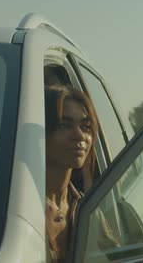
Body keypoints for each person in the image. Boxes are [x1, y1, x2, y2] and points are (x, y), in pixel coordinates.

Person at [44, 85, 118, 262]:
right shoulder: (11, 209)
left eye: (85, 126)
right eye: (64, 125)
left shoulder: (87, 210)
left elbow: (118, 255)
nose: (79, 136)